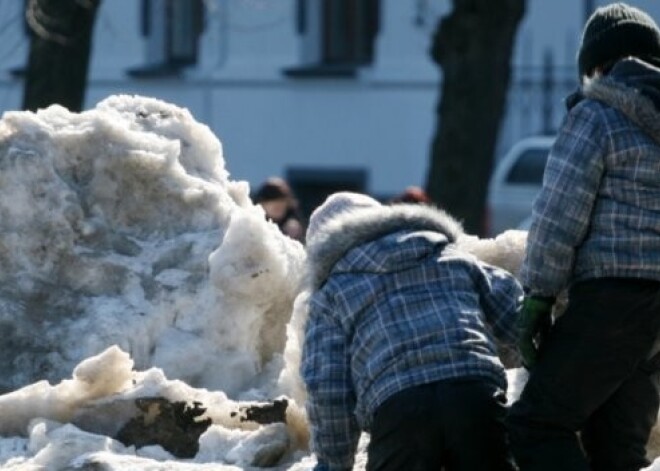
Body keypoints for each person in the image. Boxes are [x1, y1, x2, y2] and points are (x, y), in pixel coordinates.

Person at [507, 4, 660, 470]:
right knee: (615, 446)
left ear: (596, 67)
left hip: (610, 298)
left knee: (535, 426)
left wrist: (538, 295)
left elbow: (559, 214)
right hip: (655, 319)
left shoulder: (596, 115)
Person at [300, 191, 523, 471]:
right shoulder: (446, 254)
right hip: (476, 396)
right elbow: (517, 314)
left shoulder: (332, 292)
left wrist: (334, 464)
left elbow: (329, 388)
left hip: (400, 413)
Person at [254, 177, 305, 242]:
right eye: (271, 198)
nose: (277, 204)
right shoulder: (253, 224)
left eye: (282, 200)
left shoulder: (294, 226)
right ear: (261, 204)